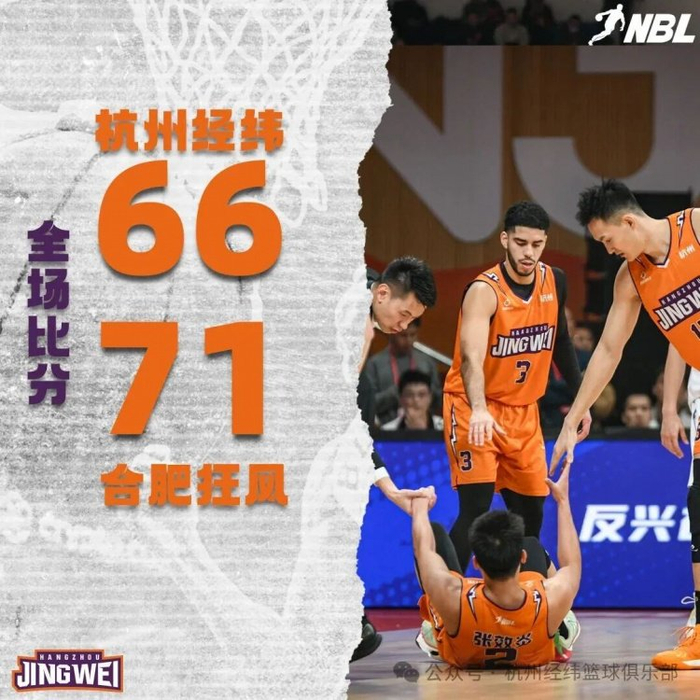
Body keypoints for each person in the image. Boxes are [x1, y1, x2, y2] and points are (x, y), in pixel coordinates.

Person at [549, 179, 700, 670]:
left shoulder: (696, 228)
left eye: (608, 239)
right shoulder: (630, 278)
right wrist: (574, 416)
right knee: (699, 502)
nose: (607, 249)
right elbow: (609, 350)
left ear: (629, 222)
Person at [443, 201, 590, 573]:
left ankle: (527, 600)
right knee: (476, 509)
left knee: (530, 517)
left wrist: (582, 401)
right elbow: (471, 357)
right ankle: (441, 603)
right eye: (521, 243)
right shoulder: (484, 290)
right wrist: (479, 408)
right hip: (473, 404)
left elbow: (561, 342)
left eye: (537, 244)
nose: (528, 252)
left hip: (524, 411)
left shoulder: (554, 280)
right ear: (505, 240)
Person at [353, 256, 438, 662]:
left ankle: (348, 624)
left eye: (412, 320)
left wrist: (389, 489)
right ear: (382, 294)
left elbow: (355, 437)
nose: (404, 327)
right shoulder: (346, 301)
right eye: (404, 315)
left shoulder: (363, 385)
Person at [413, 464, 581, 667]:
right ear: (522, 557)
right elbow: (571, 564)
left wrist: (420, 508)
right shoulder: (551, 598)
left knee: (434, 532)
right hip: (533, 639)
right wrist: (562, 501)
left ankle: (435, 632)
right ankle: (558, 633)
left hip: (462, 639)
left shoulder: (452, 596)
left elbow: (424, 550)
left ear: (476, 563)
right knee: (531, 542)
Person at [363, 318, 441, 425]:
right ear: (392, 334)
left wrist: (424, 393)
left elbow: (438, 401)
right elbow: (367, 404)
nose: (409, 340)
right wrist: (396, 393)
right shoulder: (374, 364)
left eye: (413, 335)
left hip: (423, 426)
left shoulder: (427, 362)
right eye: (403, 335)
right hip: (386, 428)